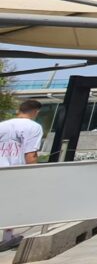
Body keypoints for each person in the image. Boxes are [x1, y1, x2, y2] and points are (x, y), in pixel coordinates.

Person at [0, 99, 44, 251]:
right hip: (15, 171)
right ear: (36, 111)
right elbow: (30, 154)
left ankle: (7, 237)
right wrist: (34, 175)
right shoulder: (34, 127)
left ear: (19, 109)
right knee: (13, 204)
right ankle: (7, 237)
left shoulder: (2, 125)